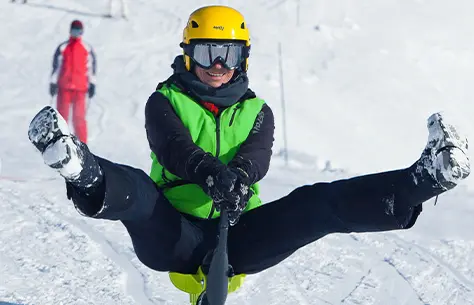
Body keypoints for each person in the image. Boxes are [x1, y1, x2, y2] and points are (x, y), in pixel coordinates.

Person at [29, 4, 469, 294]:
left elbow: (257, 156)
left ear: (244, 58)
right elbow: (172, 147)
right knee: (141, 194)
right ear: (188, 55)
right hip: (173, 234)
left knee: (317, 204)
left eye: (229, 55)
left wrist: (237, 178)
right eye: (207, 53)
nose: (218, 66)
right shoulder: (164, 100)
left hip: (238, 235)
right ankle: (82, 170)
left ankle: (423, 179)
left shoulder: (258, 111)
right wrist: (207, 173)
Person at [49, 20, 97, 144]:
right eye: (74, 31)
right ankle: (59, 143)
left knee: (79, 119)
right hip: (64, 87)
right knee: (61, 118)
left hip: (80, 89)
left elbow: (91, 68)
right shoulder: (63, 47)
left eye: (78, 31)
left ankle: (82, 145)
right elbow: (57, 66)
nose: (76, 34)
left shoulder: (86, 48)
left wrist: (92, 83)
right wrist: (53, 82)